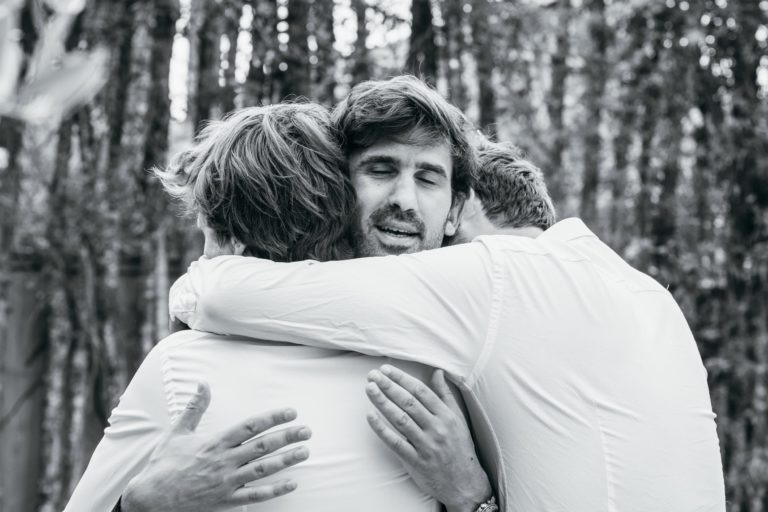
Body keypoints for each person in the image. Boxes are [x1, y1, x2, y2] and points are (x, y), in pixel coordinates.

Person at [173, 138, 727, 511]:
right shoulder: (645, 293)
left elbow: (223, 297)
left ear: (461, 211)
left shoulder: (492, 272)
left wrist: (208, 258)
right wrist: (473, 499)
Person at [64, 102, 490, 512]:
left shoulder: (179, 366)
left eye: (207, 233)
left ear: (229, 235)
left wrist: (138, 507)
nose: (404, 199)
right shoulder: (442, 359)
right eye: (380, 170)